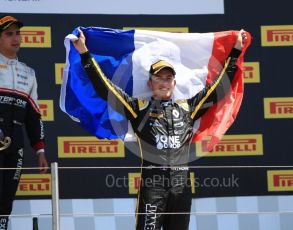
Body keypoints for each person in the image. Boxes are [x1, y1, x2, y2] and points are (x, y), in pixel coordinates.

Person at [72, 28, 247, 230]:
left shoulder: (188, 108)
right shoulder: (138, 108)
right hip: (153, 187)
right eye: (159, 78)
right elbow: (105, 88)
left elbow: (219, 87)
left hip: (181, 186)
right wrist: (85, 53)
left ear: (174, 82)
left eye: (168, 78)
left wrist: (235, 51)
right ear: (150, 82)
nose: (164, 83)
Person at [0, 15, 48, 230]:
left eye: (17, 33)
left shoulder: (28, 73)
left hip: (15, 142)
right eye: (9, 34)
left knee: (6, 199)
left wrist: (39, 151)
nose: (15, 38)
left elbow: (34, 116)